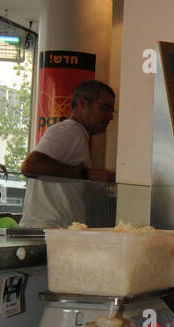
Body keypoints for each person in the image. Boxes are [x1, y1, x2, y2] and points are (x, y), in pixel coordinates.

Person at [20, 80, 116, 229]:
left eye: (112, 111)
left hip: (57, 231)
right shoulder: (69, 130)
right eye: (105, 108)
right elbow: (30, 166)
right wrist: (87, 175)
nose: (110, 117)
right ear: (83, 103)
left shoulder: (77, 134)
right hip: (48, 231)